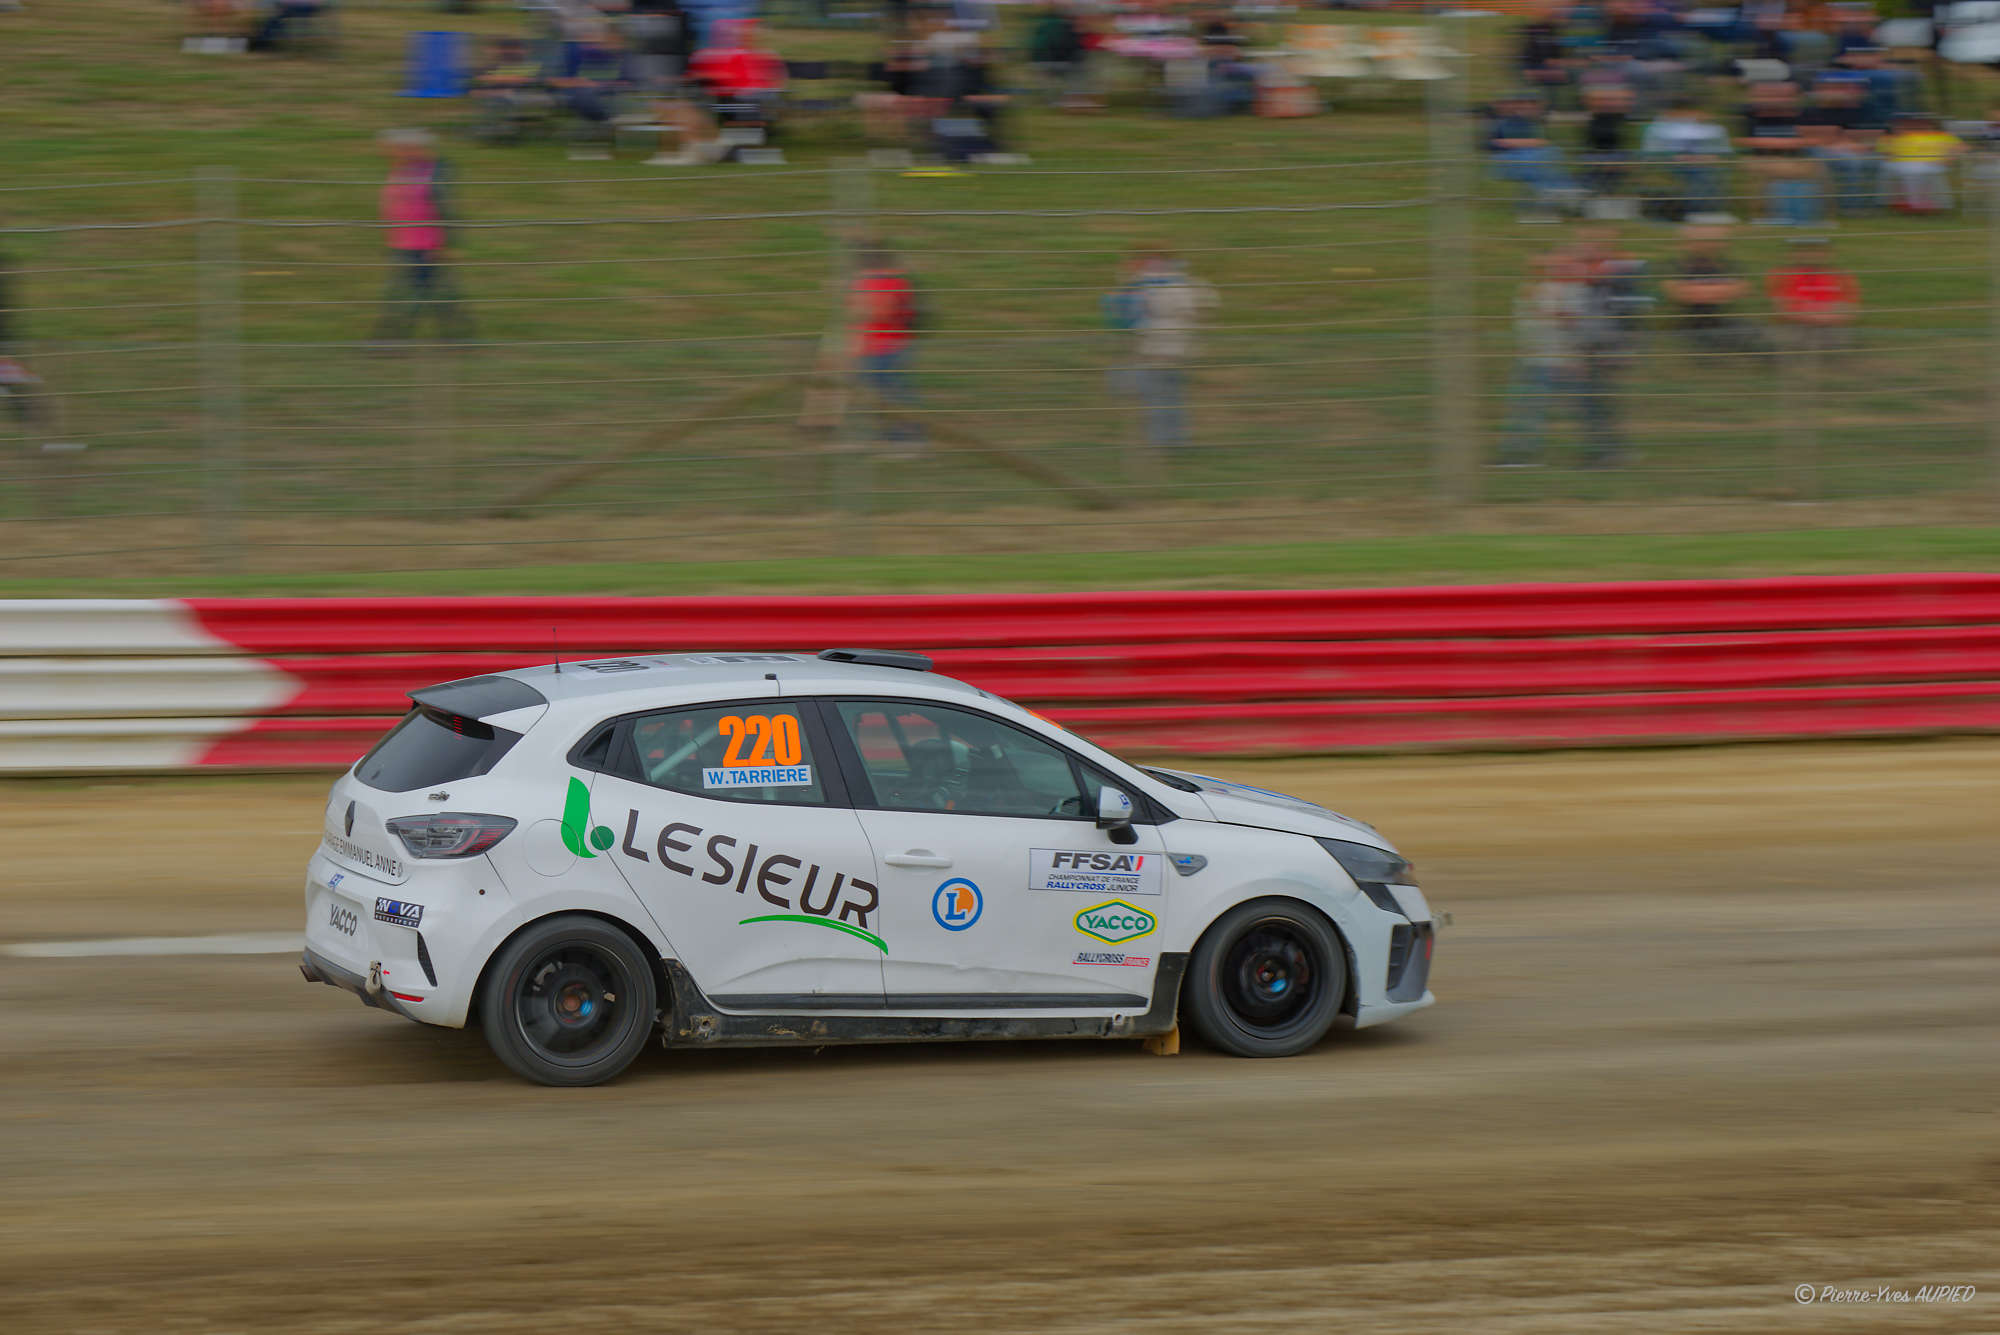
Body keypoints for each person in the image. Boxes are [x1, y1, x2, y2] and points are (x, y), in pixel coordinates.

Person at [1107, 246, 1217, 454]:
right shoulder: (1162, 286)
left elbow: (1176, 310)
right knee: (1166, 396)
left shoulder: (1170, 287)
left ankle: (1165, 442)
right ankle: (1170, 441)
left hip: (1163, 348)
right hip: (1160, 348)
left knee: (1161, 395)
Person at [370, 130, 472, 347]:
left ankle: (390, 342)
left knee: (409, 295)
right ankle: (458, 339)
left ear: (412, 148)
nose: (390, 152)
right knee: (431, 294)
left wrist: (445, 244)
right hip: (403, 244)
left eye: (396, 148)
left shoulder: (433, 173)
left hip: (426, 245)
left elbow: (445, 209)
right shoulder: (401, 170)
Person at [1498, 251, 1590, 468]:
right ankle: (1517, 455)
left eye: (1548, 267)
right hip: (1534, 360)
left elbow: (1570, 323)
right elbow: (1526, 324)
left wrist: (1575, 356)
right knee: (1526, 409)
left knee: (1583, 410)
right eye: (1538, 268)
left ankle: (1598, 454)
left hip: (1561, 362)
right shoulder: (1529, 291)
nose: (1544, 272)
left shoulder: (1572, 291)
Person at [849, 244, 925, 449]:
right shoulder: (894, 281)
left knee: (893, 392)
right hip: (886, 345)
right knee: (888, 392)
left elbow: (879, 312)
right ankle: (894, 434)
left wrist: (862, 305)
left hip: (885, 347)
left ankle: (907, 437)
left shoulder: (879, 282)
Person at [1662, 221, 1759, 352]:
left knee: (1755, 334)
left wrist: (1698, 290)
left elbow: (1742, 290)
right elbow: (1680, 294)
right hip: (1688, 326)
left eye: (1715, 240)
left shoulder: (1728, 265)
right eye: (1704, 240)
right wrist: (1721, 290)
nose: (1710, 244)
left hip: (1720, 321)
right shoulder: (1676, 266)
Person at [1486, 92, 1577, 222]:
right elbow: (1493, 144)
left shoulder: (1536, 124)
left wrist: (1526, 143)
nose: (1529, 107)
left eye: (1532, 105)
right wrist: (1527, 143)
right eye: (1525, 104)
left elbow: (1545, 143)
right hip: (1509, 161)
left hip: (1534, 160)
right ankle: (1552, 200)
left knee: (1550, 157)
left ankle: (1559, 196)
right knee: (1542, 163)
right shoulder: (1501, 123)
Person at [1641, 99, 1733, 221]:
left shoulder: (1710, 129)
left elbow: (1720, 153)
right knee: (1696, 175)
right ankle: (1694, 212)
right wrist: (1673, 158)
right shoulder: (1658, 128)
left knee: (1703, 174)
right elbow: (1652, 154)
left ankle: (1704, 212)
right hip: (1666, 166)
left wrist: (1706, 158)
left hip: (1700, 166)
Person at [1767, 235, 1859, 349]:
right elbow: (1780, 310)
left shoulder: (1842, 276)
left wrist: (1822, 317)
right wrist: (1816, 317)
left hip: (1831, 328)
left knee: (1837, 338)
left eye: (1816, 250)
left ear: (1828, 253)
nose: (1810, 254)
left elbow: (1849, 310)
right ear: (1792, 254)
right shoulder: (1780, 275)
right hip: (1795, 328)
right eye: (1803, 250)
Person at [1879, 113, 1963, 213]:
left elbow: (1961, 147)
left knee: (1915, 171)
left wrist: (1949, 158)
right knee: (1909, 171)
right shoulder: (1895, 138)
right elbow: (1885, 153)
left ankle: (1921, 205)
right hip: (1904, 165)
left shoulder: (1941, 136)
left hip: (1932, 164)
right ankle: (1912, 204)